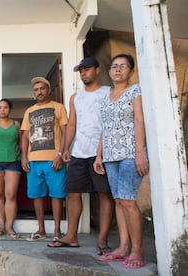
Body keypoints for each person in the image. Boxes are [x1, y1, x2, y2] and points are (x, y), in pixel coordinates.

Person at [48, 57, 114, 253]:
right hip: (79, 152)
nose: (83, 73)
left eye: (87, 69)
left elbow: (109, 123)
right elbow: (73, 125)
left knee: (104, 195)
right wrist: (64, 149)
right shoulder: (75, 97)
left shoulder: (107, 93)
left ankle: (102, 240)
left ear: (97, 70)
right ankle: (71, 236)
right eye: (81, 70)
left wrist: (101, 152)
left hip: (101, 152)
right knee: (73, 193)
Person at [94, 54, 149, 269]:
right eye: (114, 66)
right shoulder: (106, 96)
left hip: (129, 154)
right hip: (110, 155)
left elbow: (139, 120)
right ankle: (123, 247)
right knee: (118, 200)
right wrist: (99, 155)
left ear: (131, 71)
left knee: (127, 200)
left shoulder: (135, 91)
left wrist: (140, 152)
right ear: (109, 71)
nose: (118, 70)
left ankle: (137, 250)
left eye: (123, 66)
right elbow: (104, 129)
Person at [20, 77, 68, 241]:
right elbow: (25, 136)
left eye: (42, 88)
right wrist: (24, 157)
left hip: (53, 159)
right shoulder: (29, 111)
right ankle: (41, 229)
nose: (39, 91)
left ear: (49, 90)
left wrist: (61, 154)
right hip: (33, 161)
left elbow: (65, 132)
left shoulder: (58, 107)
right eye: (36, 89)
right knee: (36, 195)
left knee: (57, 195)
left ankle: (57, 230)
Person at [0, 99, 22, 240]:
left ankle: (10, 227)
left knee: (11, 195)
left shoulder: (16, 124)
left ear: (9, 109)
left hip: (14, 161)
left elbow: (21, 143)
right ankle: (1, 226)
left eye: (5, 107)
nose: (2, 110)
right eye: (0, 107)